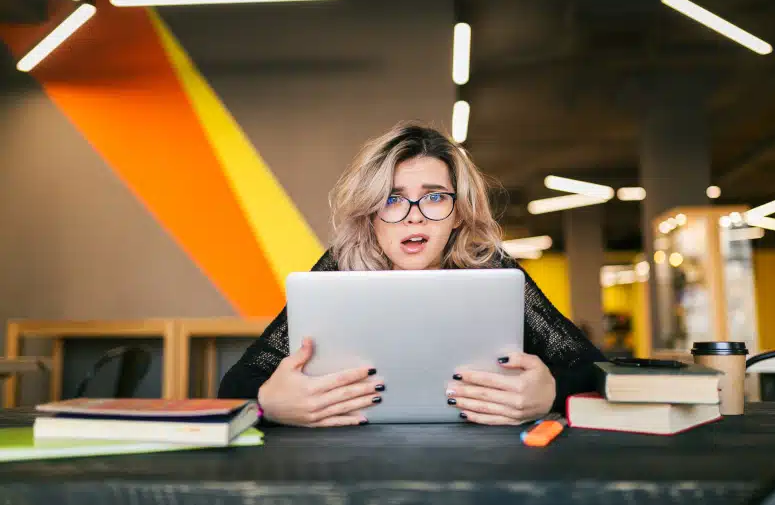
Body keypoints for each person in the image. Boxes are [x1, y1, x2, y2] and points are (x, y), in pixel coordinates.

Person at [218, 122, 606, 426]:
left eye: (435, 196)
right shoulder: (341, 266)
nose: (414, 214)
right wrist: (271, 401)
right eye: (393, 199)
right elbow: (235, 384)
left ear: (457, 214)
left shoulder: (489, 265)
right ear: (372, 215)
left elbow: (593, 368)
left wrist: (550, 393)